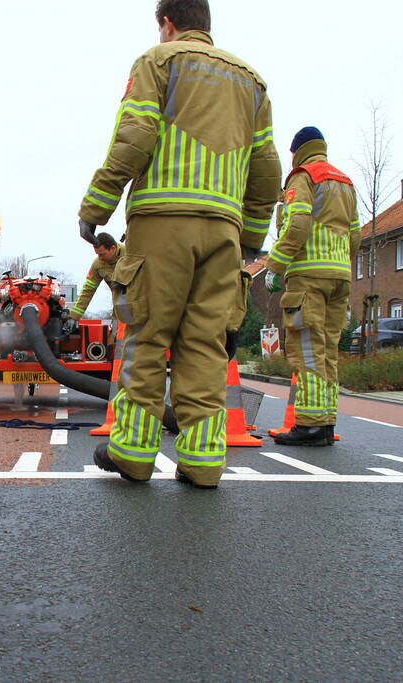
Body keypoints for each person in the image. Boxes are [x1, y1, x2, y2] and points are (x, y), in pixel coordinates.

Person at [78, 0, 280, 488]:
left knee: (146, 338)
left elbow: (135, 136)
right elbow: (266, 168)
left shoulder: (158, 61)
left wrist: (96, 205)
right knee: (205, 346)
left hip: (161, 222)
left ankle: (132, 454)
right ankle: (203, 462)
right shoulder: (252, 82)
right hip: (225, 232)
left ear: (167, 23)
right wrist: (251, 238)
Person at [263, 127, 360, 446]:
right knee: (328, 350)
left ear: (297, 151)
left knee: (307, 349)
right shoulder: (345, 182)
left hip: (308, 277)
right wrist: (339, 263)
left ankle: (310, 426)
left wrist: (274, 265)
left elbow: (298, 224)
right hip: (340, 277)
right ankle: (326, 421)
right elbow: (356, 234)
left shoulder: (303, 177)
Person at [63, 232, 125, 335]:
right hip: (119, 308)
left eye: (102, 254)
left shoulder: (131, 255)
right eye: (97, 254)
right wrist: (73, 317)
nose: (99, 258)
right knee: (116, 337)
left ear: (113, 249)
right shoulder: (98, 265)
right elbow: (87, 291)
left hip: (141, 305)